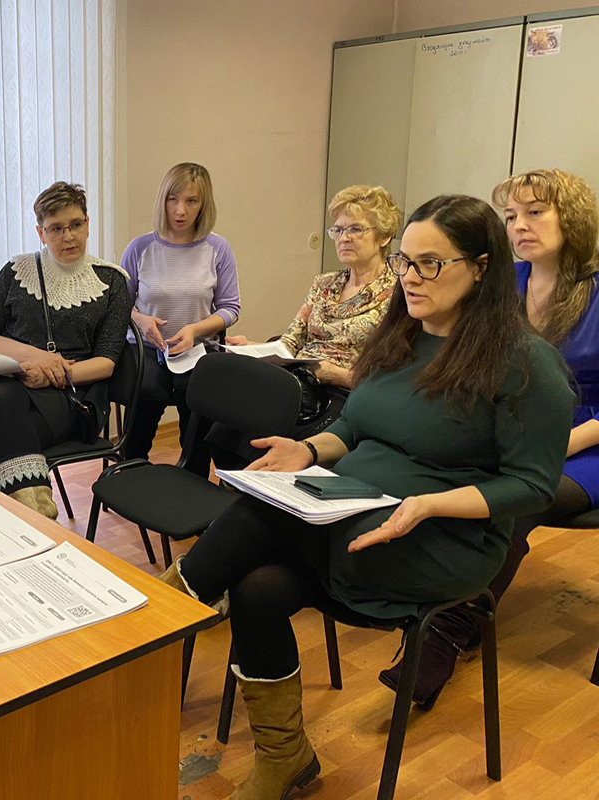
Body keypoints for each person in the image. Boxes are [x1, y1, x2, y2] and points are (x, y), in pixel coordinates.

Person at [161, 195, 574, 799]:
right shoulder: (401, 334)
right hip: (352, 511)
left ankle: (152, 628)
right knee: (258, 587)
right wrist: (309, 449)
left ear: (482, 267)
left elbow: (532, 487)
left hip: (441, 540)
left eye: (430, 263)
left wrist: (430, 504)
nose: (410, 277)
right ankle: (285, 758)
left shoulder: (527, 365)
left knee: (260, 513)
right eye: (406, 261)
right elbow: (356, 425)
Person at [378, 168, 599, 707]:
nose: (519, 226)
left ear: (572, 218)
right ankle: (431, 594)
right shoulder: (505, 283)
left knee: (515, 499)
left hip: (586, 441)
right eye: (511, 216)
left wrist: (557, 444)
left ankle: (444, 634)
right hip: (512, 425)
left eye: (535, 212)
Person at [0, 181, 132, 519]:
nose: (68, 236)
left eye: (76, 225)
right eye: (56, 228)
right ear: (41, 233)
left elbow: (106, 363)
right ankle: (36, 516)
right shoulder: (15, 272)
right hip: (9, 381)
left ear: (88, 224)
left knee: (3, 423)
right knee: (3, 397)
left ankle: (10, 517)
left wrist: (54, 373)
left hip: (72, 395)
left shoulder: (111, 281)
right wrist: (35, 358)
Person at [219, 185, 400, 451]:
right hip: (298, 381)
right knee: (227, 420)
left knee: (270, 432)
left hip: (346, 393)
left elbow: (393, 377)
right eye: (338, 230)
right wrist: (252, 347)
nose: (344, 238)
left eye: (355, 229)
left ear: (384, 237)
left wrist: (335, 375)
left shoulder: (397, 294)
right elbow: (290, 342)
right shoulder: (324, 283)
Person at [121, 163, 240, 470]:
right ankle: (131, 473)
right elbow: (119, 306)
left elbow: (230, 308)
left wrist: (195, 331)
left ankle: (192, 477)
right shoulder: (140, 248)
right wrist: (141, 320)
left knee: (197, 402)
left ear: (204, 204)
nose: (180, 210)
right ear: (163, 201)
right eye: (173, 200)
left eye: (191, 201)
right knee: (147, 394)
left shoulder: (218, 248)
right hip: (147, 350)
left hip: (197, 350)